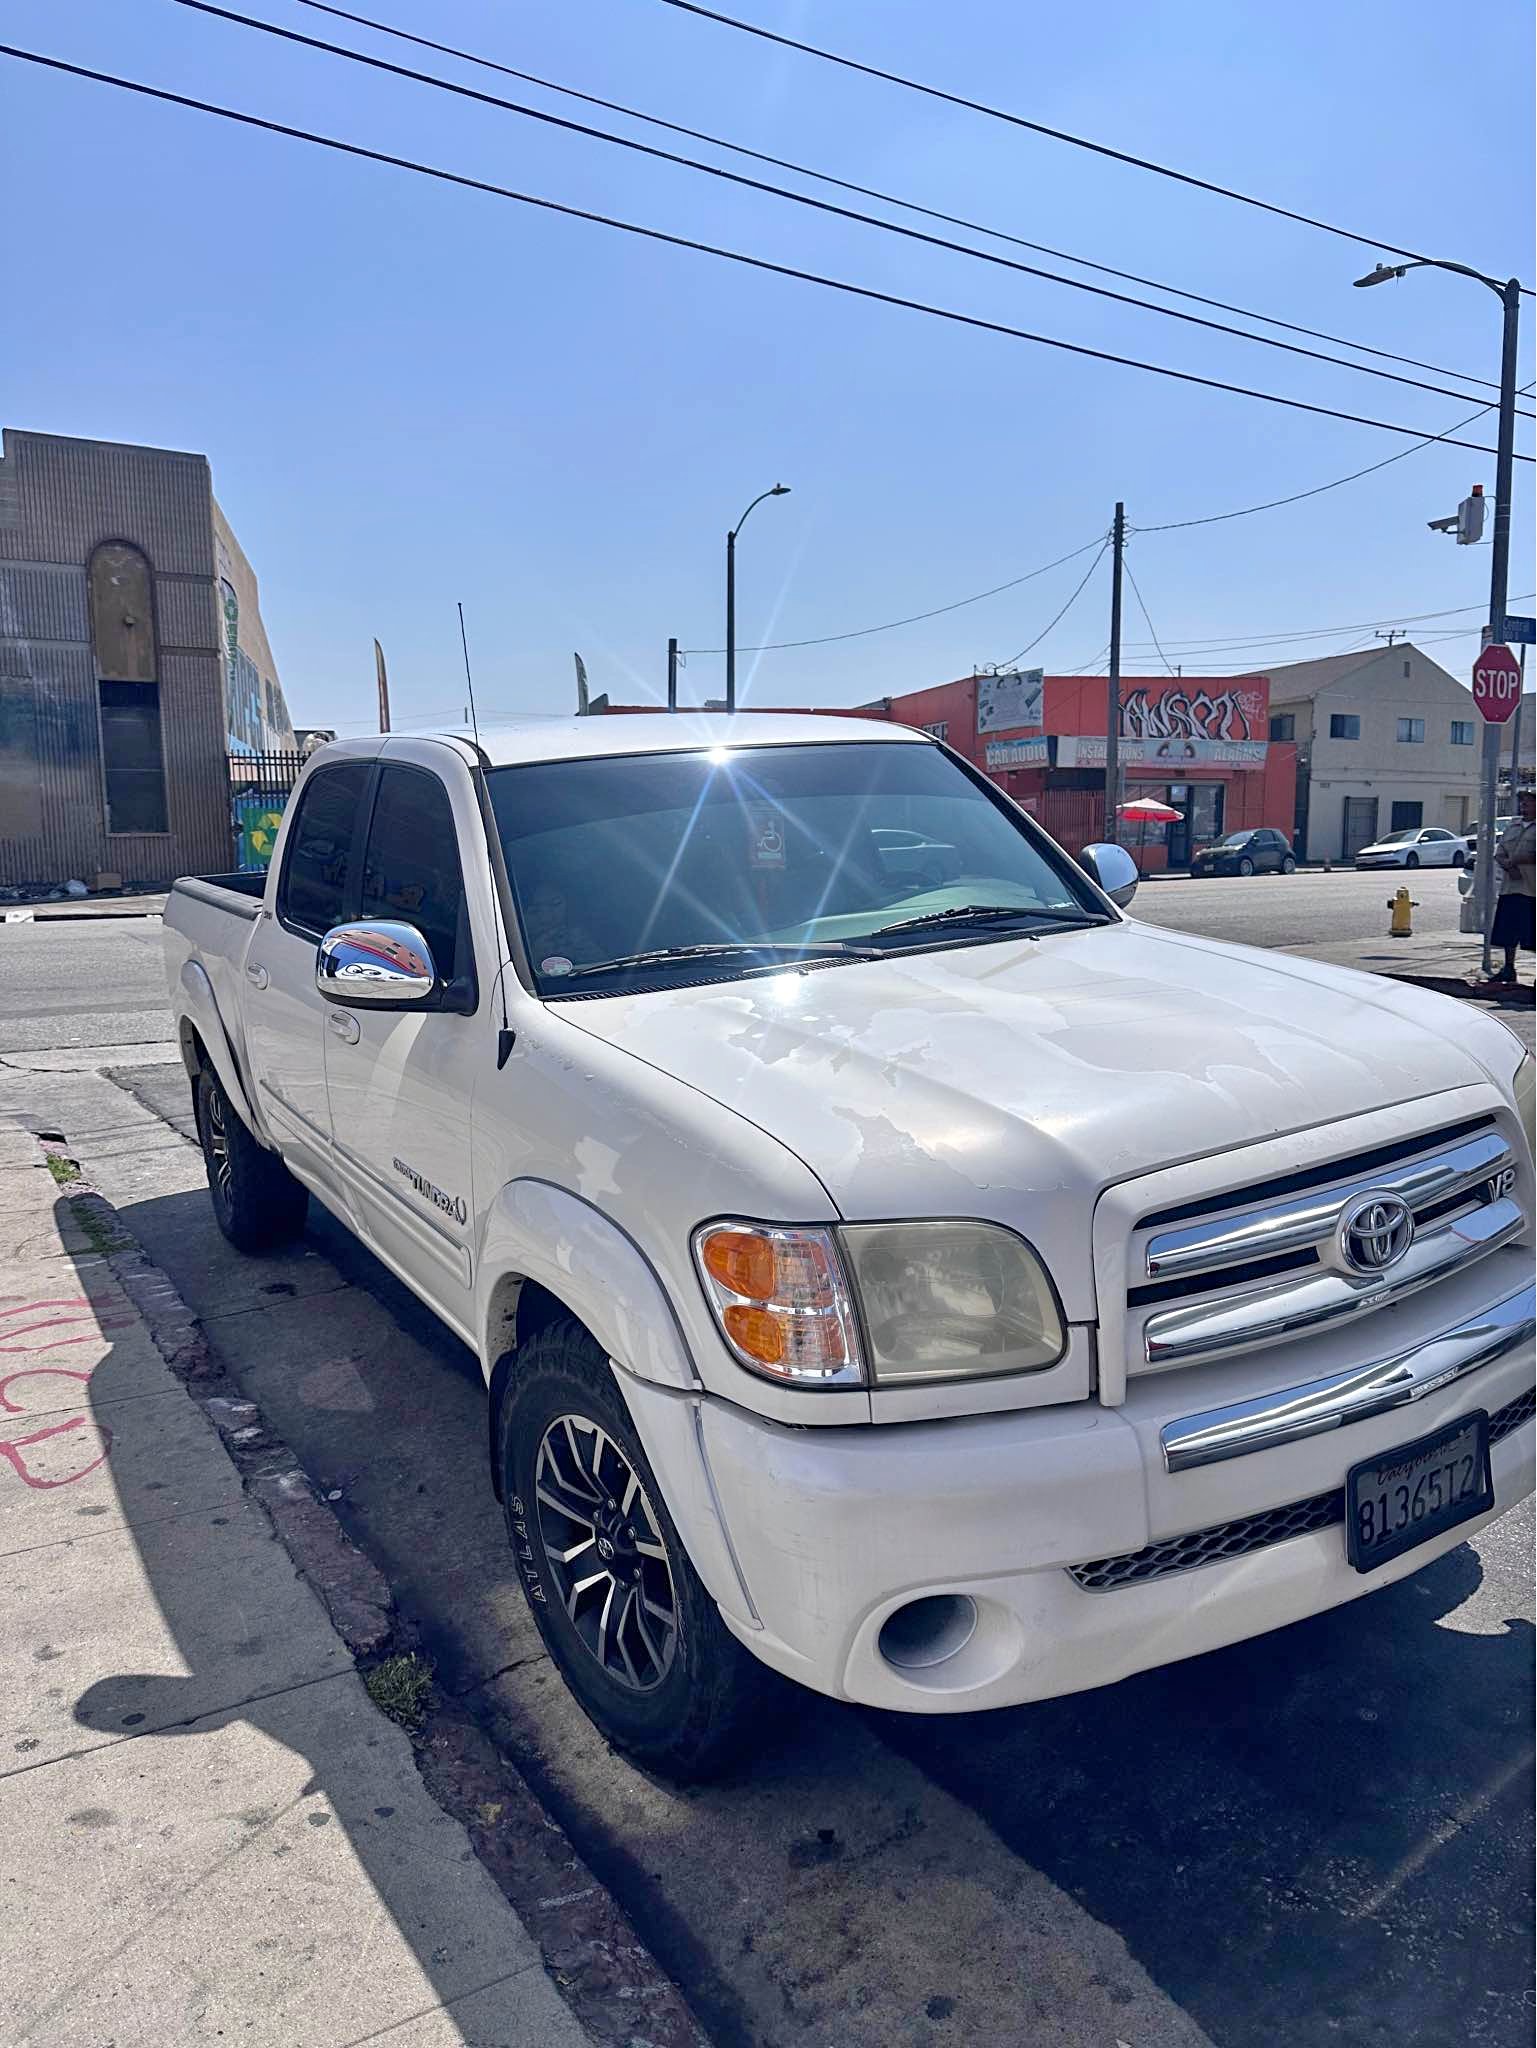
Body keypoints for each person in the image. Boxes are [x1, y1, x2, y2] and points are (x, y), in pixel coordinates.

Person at [1484, 788, 1535, 986]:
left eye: (1528, 803)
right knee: (1508, 932)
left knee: (1533, 934)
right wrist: (1508, 865)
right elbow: (1500, 851)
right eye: (1522, 803)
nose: (1524, 807)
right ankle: (1508, 968)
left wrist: (1518, 861)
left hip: (1532, 890)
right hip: (1510, 888)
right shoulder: (1513, 826)